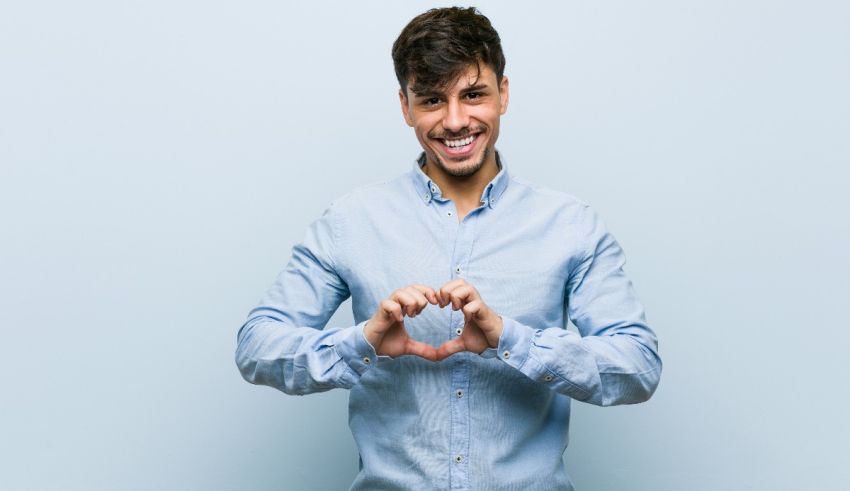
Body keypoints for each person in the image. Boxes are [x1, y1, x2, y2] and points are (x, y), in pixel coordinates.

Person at [235, 6, 661, 490]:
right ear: (405, 106)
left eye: (473, 94)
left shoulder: (571, 225)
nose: (455, 121)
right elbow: (256, 346)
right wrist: (363, 343)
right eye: (433, 100)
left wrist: (509, 340)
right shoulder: (350, 221)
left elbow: (637, 366)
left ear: (503, 93)